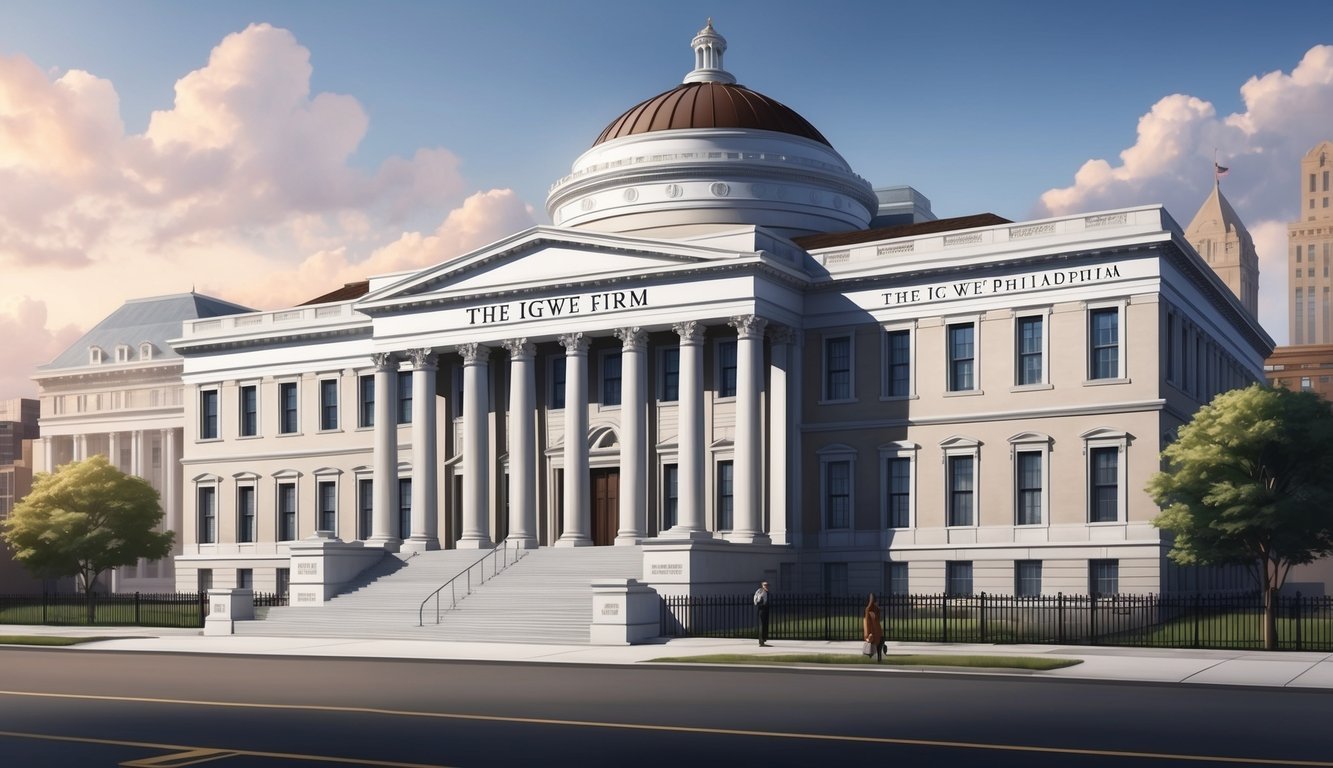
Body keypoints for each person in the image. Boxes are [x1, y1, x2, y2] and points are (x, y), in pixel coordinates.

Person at [864, 593, 884, 662]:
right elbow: (868, 624)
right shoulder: (868, 611)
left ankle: (878, 658)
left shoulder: (875, 611)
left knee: (879, 645)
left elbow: (879, 619)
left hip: (878, 632)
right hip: (874, 633)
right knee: (874, 646)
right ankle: (875, 657)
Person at [753, 580, 770, 646]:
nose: (766, 586)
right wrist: (759, 602)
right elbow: (757, 598)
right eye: (764, 585)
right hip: (762, 609)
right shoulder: (760, 591)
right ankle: (761, 640)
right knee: (762, 625)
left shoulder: (766, 591)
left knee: (765, 624)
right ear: (762, 585)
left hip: (766, 609)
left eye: (767, 585)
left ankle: (764, 639)